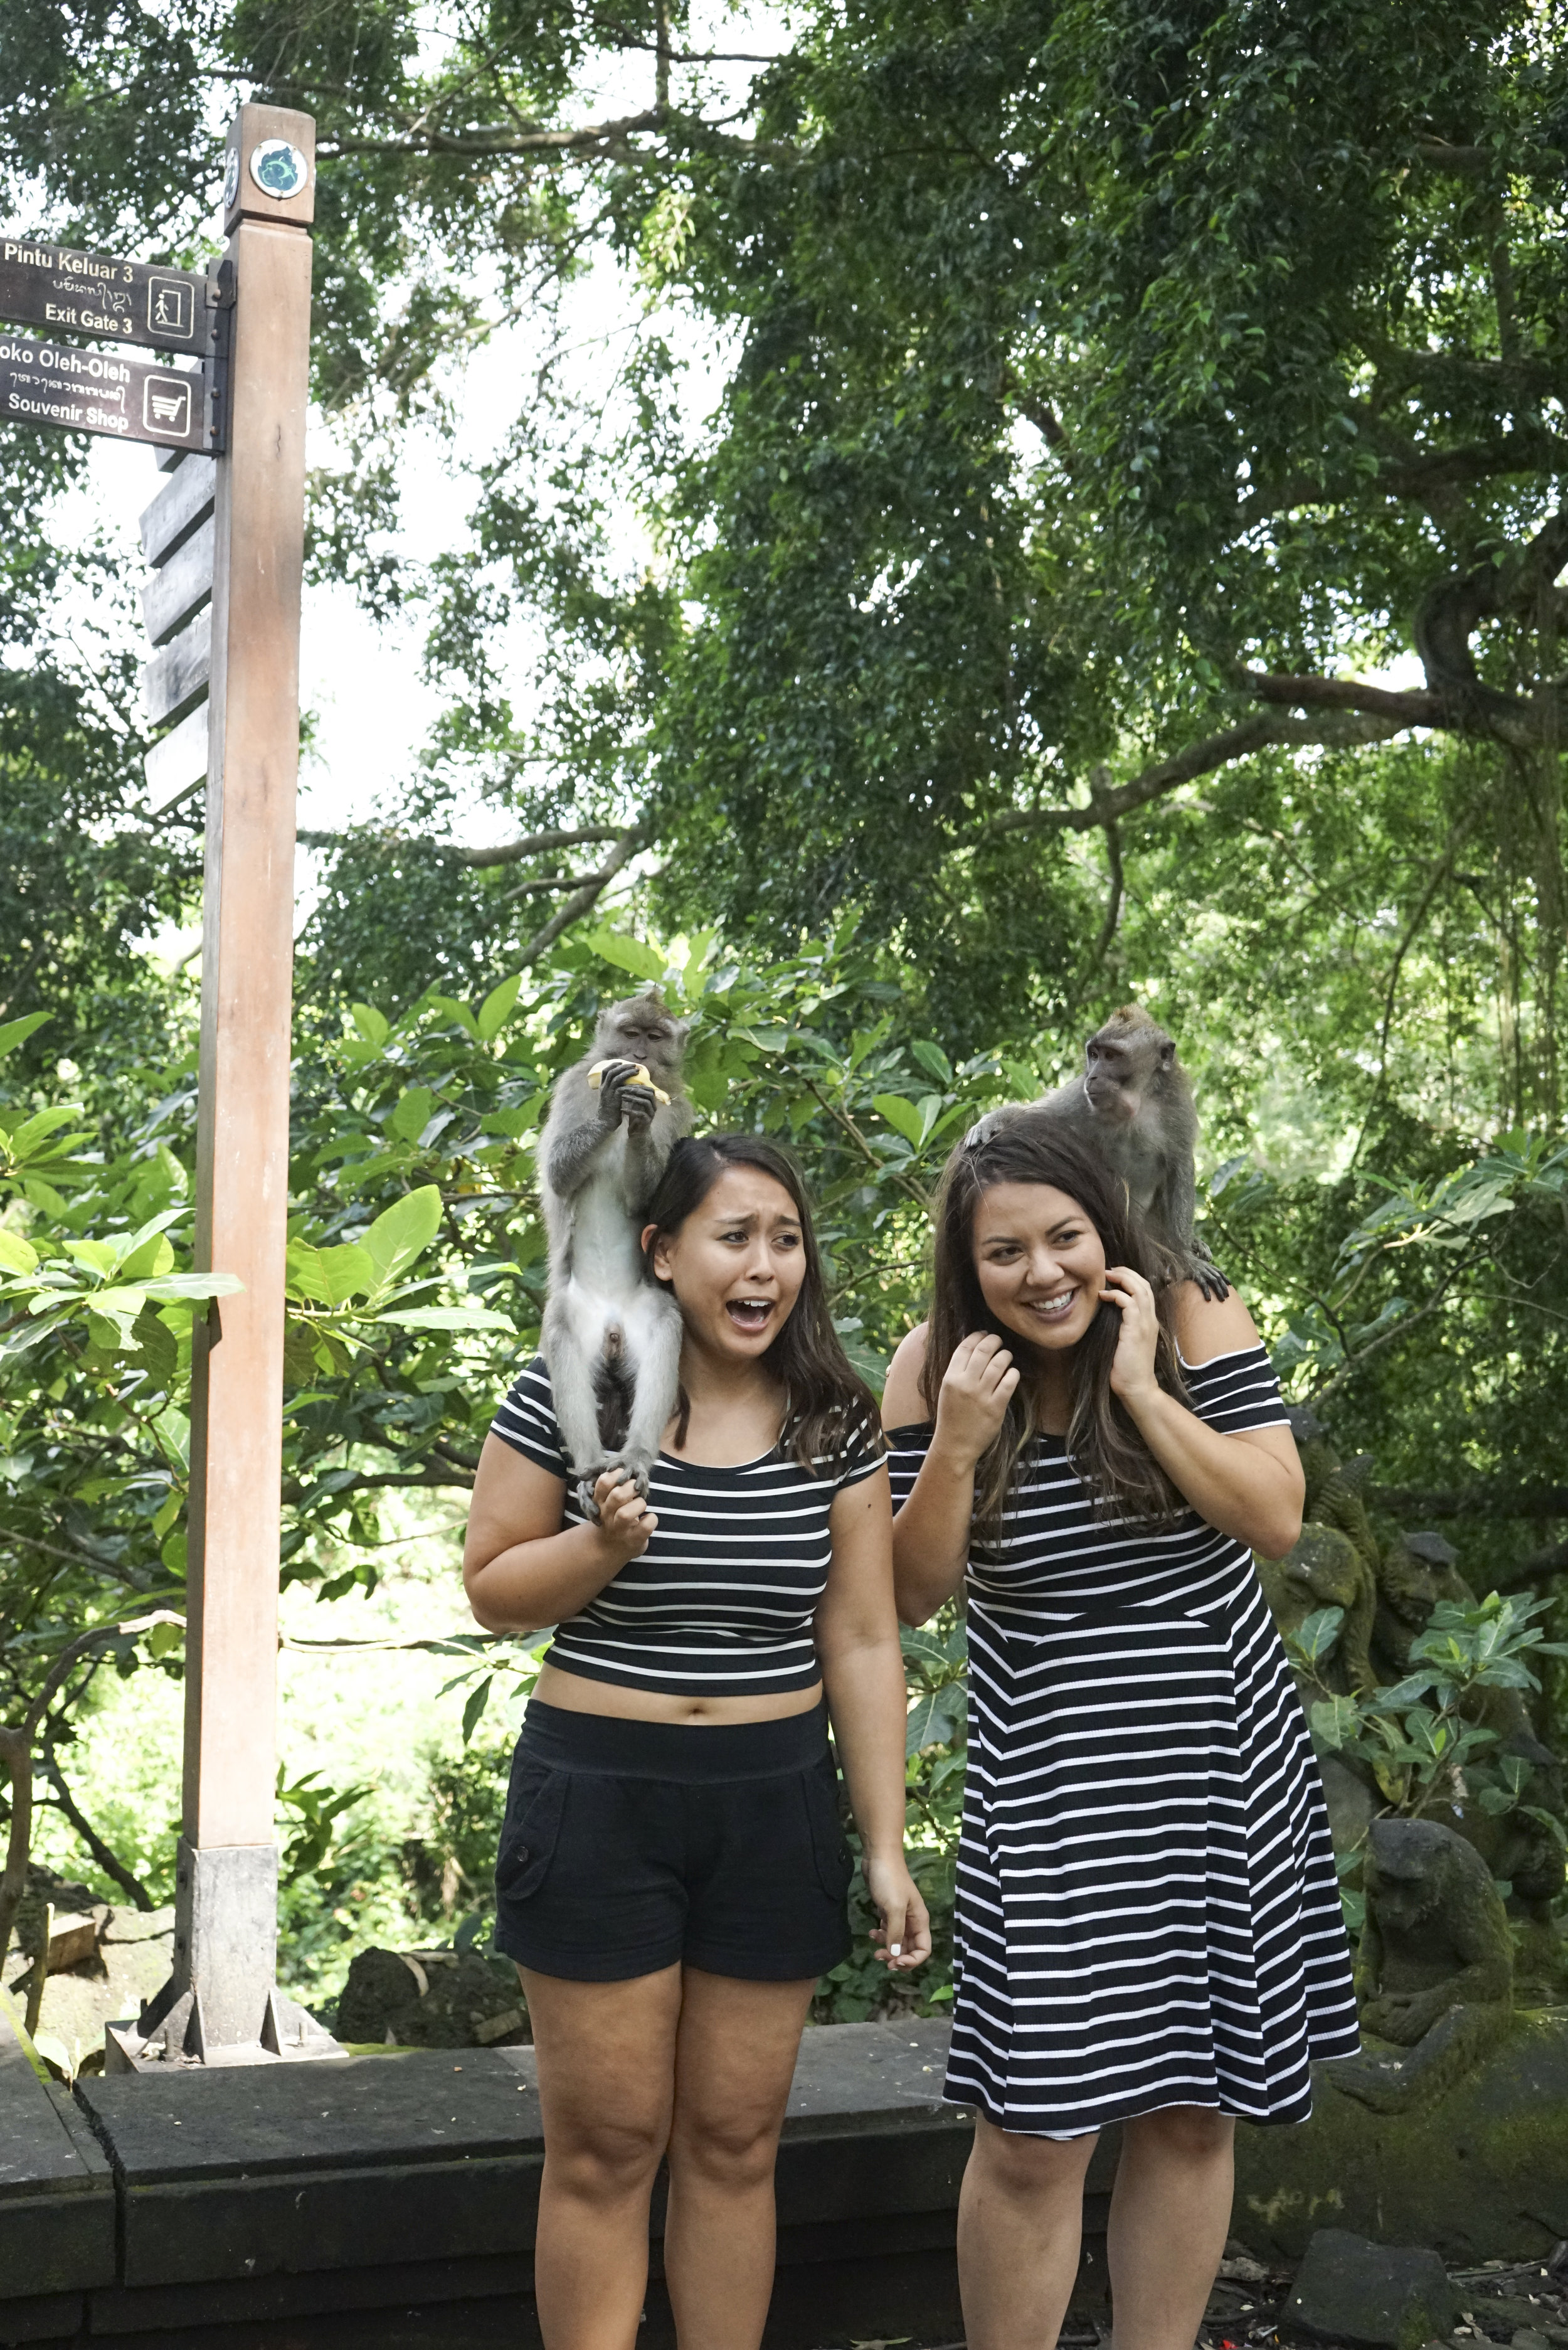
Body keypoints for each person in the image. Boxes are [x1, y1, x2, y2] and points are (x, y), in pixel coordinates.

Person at [882, 1123, 1358, 2350]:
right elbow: (903, 1593)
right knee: (1032, 2126)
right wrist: (953, 1443)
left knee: (1196, 2108)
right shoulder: (931, 1364)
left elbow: (1270, 1515)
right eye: (1003, 1251)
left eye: (1062, 1238)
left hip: (1215, 1764)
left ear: (1105, 1231)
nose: (1039, 1270)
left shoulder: (1194, 1313)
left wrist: (1143, 1386)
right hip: (1047, 1785)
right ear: (963, 1261)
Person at [464, 1132, 931, 2350]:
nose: (764, 1265)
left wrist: (884, 1843)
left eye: (784, 1238)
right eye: (734, 1236)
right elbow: (493, 1584)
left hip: (772, 1805)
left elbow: (866, 1638)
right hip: (598, 1801)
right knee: (608, 2146)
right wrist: (600, 1548)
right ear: (663, 1253)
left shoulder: (834, 1420)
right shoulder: (570, 1382)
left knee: (735, 2142)